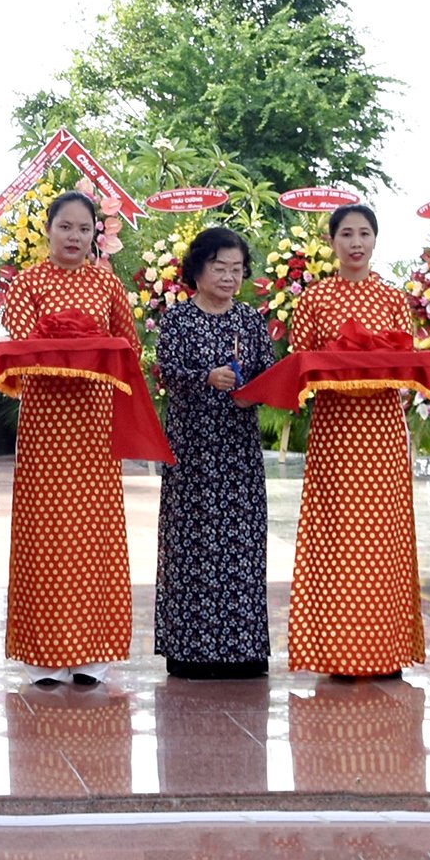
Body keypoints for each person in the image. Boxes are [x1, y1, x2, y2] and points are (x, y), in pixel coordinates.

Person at [0, 190, 140, 686]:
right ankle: (44, 653)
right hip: (46, 424)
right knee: (47, 531)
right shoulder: (28, 283)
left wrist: (96, 351)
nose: (75, 237)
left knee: (91, 532)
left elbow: (129, 344)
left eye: (84, 229)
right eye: (66, 227)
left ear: (95, 234)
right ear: (48, 230)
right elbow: (20, 343)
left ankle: (91, 650)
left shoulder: (107, 283)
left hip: (94, 424)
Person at [285, 203, 424, 682]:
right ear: (332, 242)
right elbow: (300, 362)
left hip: (381, 432)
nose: (356, 243)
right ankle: (339, 651)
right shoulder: (315, 298)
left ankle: (384, 651)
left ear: (376, 240)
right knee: (339, 537)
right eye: (347, 234)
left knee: (382, 537)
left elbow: (408, 363)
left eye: (365, 233)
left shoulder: (391, 298)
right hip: (336, 432)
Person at [151, 225, 275, 680]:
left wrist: (253, 392)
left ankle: (244, 651)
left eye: (236, 269)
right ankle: (188, 651)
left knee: (242, 547)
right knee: (191, 548)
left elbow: (269, 374)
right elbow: (166, 371)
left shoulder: (249, 320)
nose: (227, 277)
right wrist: (206, 377)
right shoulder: (178, 319)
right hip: (192, 452)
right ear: (198, 270)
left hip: (239, 454)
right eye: (218, 267)